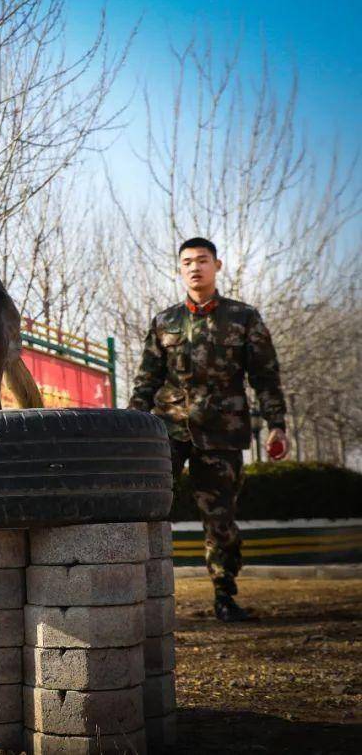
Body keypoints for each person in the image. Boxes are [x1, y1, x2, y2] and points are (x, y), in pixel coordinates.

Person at [129, 237, 288, 622]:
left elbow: (265, 376)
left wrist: (276, 425)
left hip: (223, 432)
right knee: (147, 511)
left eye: (202, 260)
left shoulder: (243, 318)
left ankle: (224, 595)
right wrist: (132, 425)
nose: (195, 267)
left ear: (217, 266)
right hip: (169, 431)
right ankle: (143, 595)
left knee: (219, 517)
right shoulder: (165, 321)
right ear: (179, 269)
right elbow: (146, 380)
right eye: (187, 262)